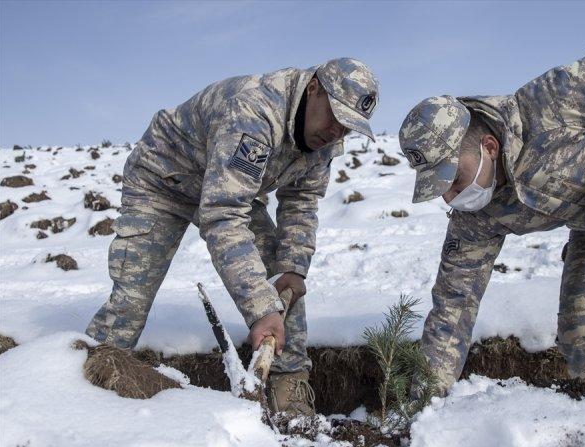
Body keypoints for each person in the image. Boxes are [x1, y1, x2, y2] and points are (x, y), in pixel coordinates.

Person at [399, 34, 585, 394]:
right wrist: (427, 391)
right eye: (440, 188)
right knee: (579, 337)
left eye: (455, 178)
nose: (451, 196)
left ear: (489, 146)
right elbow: (454, 303)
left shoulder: (553, 102)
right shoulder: (476, 218)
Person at [86, 58, 379, 416]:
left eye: (348, 126)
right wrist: (260, 309)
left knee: (280, 277)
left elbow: (301, 201)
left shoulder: (326, 141)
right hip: (163, 182)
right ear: (314, 88)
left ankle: (290, 389)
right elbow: (222, 214)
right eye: (334, 116)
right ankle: (86, 385)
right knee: (131, 299)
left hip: (228, 187)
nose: (336, 131)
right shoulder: (255, 110)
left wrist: (292, 266)